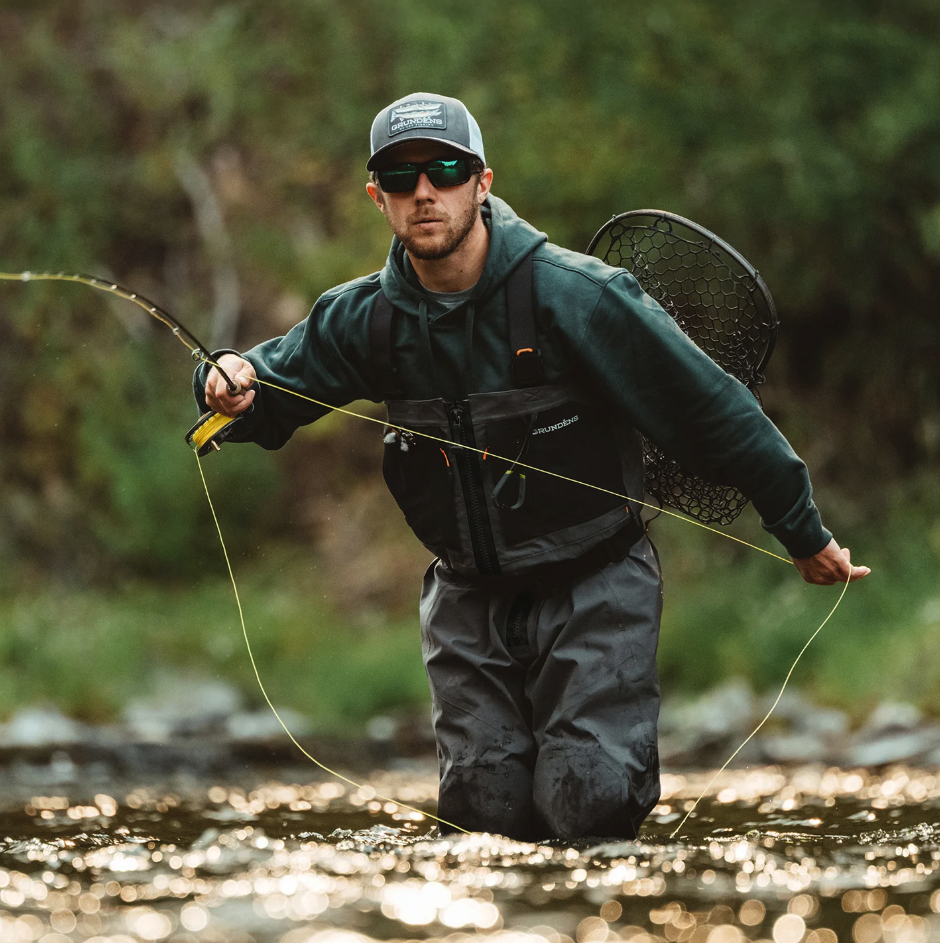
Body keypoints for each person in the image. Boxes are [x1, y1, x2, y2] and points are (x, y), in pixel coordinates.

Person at [196, 92, 870, 842]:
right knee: (481, 819)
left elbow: (714, 413)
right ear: (376, 196)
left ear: (482, 183)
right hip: (467, 600)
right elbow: (258, 390)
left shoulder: (576, 296)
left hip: (596, 585)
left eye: (446, 170)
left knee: (590, 805)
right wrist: (222, 383)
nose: (425, 192)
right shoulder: (364, 320)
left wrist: (801, 531)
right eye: (401, 176)